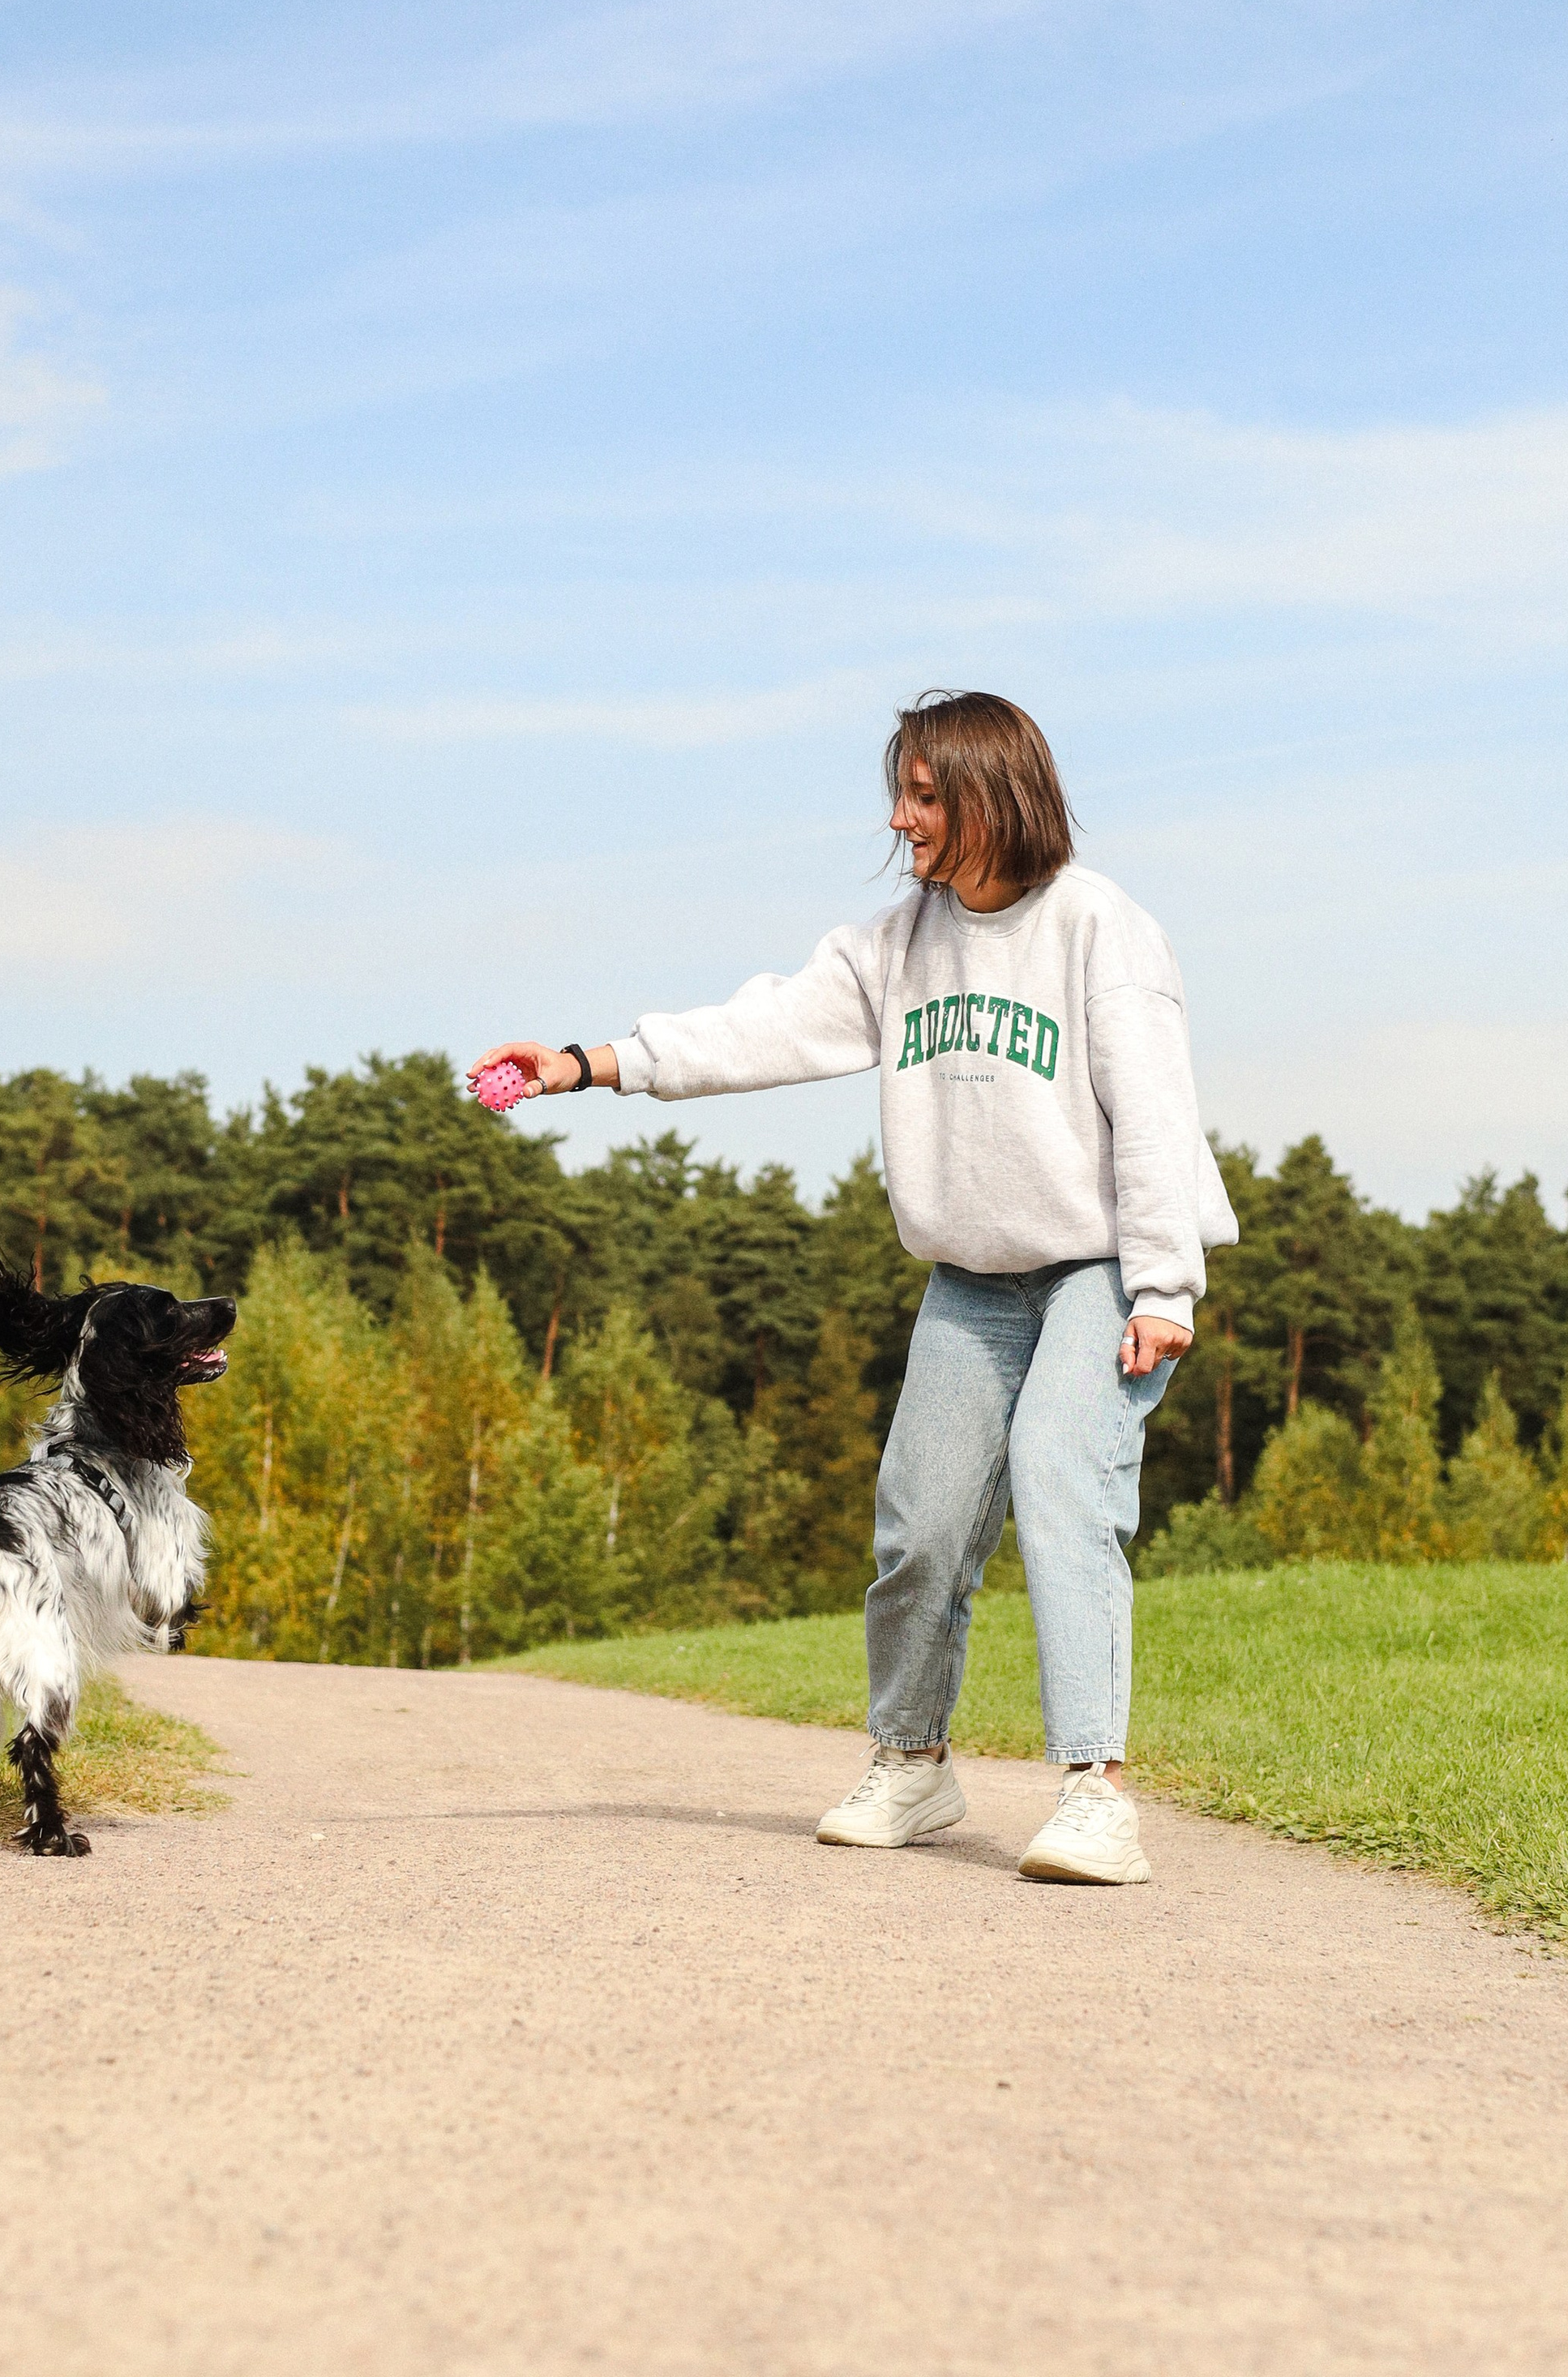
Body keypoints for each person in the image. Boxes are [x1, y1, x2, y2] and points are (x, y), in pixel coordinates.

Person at [469, 687, 1236, 1886]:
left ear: (991, 794)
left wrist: (1163, 1290)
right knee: (920, 1521)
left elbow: (1154, 1115)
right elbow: (764, 1028)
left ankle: (1097, 1792)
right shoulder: (898, 945)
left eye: (922, 796)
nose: (899, 819)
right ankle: (913, 1764)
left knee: (1061, 1480)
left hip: (1102, 1270)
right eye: (900, 794)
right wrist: (586, 1063)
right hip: (972, 1280)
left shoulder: (1100, 928)